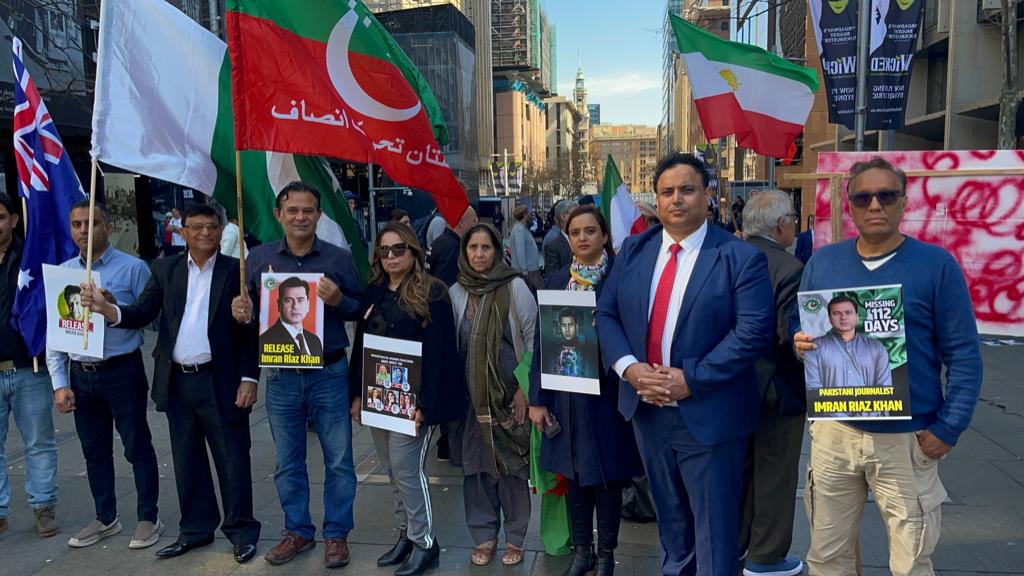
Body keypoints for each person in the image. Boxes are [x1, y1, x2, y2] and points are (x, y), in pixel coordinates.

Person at [793, 157, 982, 576]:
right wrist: (800, 343)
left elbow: (964, 355)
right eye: (863, 197)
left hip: (907, 439)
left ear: (903, 201)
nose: (874, 205)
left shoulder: (936, 266)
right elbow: (800, 329)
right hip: (835, 434)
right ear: (850, 205)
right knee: (827, 556)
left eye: (886, 195)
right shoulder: (823, 263)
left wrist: (949, 427)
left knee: (911, 560)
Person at [595, 152, 774, 576]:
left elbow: (753, 333)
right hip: (648, 414)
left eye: (687, 190)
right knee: (672, 528)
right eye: (667, 191)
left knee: (714, 535)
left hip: (708, 416)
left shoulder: (739, 258)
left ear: (708, 196)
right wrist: (630, 369)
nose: (677, 200)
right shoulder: (634, 251)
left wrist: (690, 379)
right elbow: (606, 314)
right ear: (656, 199)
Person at [80, 204, 261, 563]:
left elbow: (249, 334)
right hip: (178, 381)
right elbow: (142, 312)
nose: (206, 233)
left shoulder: (237, 272)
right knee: (186, 459)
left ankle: (241, 531)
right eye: (197, 227)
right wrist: (106, 310)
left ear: (221, 230)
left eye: (212, 226)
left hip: (221, 380)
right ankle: (195, 529)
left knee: (233, 459)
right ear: (183, 232)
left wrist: (249, 376)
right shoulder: (166, 268)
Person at [239, 181, 364, 568]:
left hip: (328, 372)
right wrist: (241, 311)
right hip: (282, 376)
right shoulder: (258, 259)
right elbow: (250, 318)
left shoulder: (338, 259)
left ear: (318, 215)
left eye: (308, 210)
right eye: (292, 210)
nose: (300, 217)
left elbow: (361, 310)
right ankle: (298, 531)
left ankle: (337, 535)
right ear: (279, 214)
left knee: (339, 459)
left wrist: (338, 300)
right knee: (287, 461)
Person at [529, 205, 643, 576]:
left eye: (590, 230)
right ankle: (583, 551)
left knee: (605, 478)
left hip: (607, 396)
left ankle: (607, 552)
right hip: (565, 396)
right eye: (575, 231)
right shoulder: (558, 280)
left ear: (605, 236)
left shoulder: (620, 280)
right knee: (573, 475)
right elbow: (541, 345)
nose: (582, 237)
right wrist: (536, 400)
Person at [349, 223, 467, 575]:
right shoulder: (375, 291)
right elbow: (362, 346)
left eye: (398, 249)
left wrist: (425, 405)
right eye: (384, 251)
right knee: (392, 471)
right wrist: (356, 394)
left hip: (413, 403)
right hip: (378, 398)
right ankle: (405, 534)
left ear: (414, 252)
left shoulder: (432, 293)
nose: (390, 257)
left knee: (407, 469)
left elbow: (440, 355)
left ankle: (424, 541)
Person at [45, 202, 163, 550]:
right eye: (77, 224)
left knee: (136, 446)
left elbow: (150, 316)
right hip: (81, 373)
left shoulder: (133, 269)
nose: (83, 230)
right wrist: (60, 383)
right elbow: (57, 332)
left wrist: (114, 309)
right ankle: (105, 516)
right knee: (94, 450)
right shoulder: (64, 273)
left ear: (108, 227)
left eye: (91, 223)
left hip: (121, 370)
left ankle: (147, 517)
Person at [449, 223, 536, 567]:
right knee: (476, 469)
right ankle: (484, 534)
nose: (480, 254)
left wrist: (524, 391)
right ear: (465, 252)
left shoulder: (514, 287)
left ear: (497, 252)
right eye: (473, 248)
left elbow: (533, 341)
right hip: (471, 402)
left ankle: (515, 537)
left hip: (510, 397)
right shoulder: (457, 292)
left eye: (486, 248)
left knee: (511, 467)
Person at [737, 191, 806, 576]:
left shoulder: (727, 258)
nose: (795, 226)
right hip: (777, 388)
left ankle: (736, 545)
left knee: (742, 471)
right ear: (781, 224)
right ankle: (766, 557)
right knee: (776, 474)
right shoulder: (789, 266)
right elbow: (789, 333)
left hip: (731, 386)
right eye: (793, 219)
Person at [0, 192, 59, 538]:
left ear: (14, 220)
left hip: (29, 367)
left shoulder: (33, 258)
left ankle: (44, 506)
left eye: (1, 217)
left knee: (39, 442)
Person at [425, 206, 477, 462]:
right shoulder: (451, 247)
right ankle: (449, 441)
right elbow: (446, 288)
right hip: (447, 322)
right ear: (463, 222)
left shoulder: (438, 243)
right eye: (473, 220)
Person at [806, 296, 892, 390]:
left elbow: (885, 388)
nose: (843, 317)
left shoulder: (876, 347)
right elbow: (813, 389)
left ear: (857, 316)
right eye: (836, 313)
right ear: (829, 318)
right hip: (829, 405)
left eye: (848, 312)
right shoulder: (814, 346)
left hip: (867, 404)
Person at [260, 276, 324, 359]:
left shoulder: (315, 340)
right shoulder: (266, 340)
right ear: (279, 304)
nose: (295, 306)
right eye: (288, 300)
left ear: (308, 304)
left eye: (300, 300)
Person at [544, 308, 598, 378]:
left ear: (576, 326)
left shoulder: (586, 349)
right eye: (564, 325)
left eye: (570, 325)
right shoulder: (554, 349)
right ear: (560, 327)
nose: (567, 330)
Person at [542, 200, 575, 277]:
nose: (580, 216)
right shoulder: (553, 244)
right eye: (576, 213)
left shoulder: (583, 239)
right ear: (564, 216)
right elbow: (554, 278)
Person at [508, 205, 540, 280]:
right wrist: (524, 271)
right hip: (528, 271)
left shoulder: (522, 228)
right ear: (524, 215)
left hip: (530, 270)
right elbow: (520, 252)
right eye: (527, 213)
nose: (529, 215)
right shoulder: (520, 230)